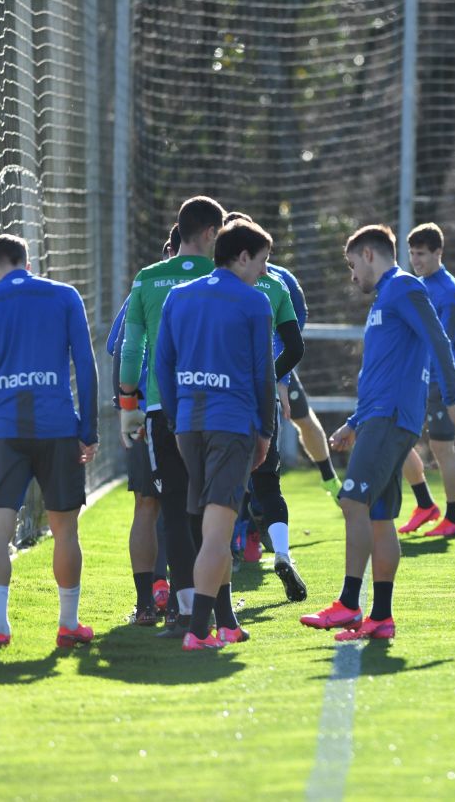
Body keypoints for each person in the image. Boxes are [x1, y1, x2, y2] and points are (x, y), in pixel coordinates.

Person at [300, 225, 455, 641]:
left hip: (391, 419)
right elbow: (383, 372)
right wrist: (354, 423)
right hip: (379, 417)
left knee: (352, 501)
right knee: (379, 517)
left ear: (369, 255)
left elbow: (439, 339)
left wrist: (453, 396)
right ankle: (381, 617)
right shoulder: (386, 297)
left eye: (352, 264)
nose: (352, 274)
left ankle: (347, 604)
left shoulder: (404, 288)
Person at [0, 234, 98, 649]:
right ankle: (68, 624)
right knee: (65, 529)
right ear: (26, 263)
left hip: (3, 433)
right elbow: (86, 366)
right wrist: (87, 431)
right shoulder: (64, 295)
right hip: (58, 428)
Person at [156, 219, 277, 649]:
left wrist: (175, 417)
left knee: (209, 526)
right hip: (233, 425)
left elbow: (162, 367)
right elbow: (265, 374)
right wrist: (266, 430)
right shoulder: (254, 303)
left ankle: (225, 620)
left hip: (189, 424)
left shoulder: (178, 296)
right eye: (262, 261)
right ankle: (199, 631)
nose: (264, 271)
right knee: (218, 532)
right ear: (242, 257)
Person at [120, 196, 225, 639]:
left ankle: (185, 612)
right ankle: (216, 610)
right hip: (219, 408)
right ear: (211, 234)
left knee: (176, 514)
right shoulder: (225, 279)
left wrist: (129, 405)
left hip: (164, 410)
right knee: (215, 513)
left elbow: (131, 349)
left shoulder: (147, 279)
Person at [219, 213, 305, 601]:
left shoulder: (212, 288)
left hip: (219, 397)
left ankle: (223, 560)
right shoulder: (277, 287)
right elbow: (296, 346)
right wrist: (269, 379)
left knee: (218, 484)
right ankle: (283, 554)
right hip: (263, 397)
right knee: (268, 482)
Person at [110, 226, 179, 625]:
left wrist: (126, 402)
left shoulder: (148, 284)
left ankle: (149, 600)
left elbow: (119, 346)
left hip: (143, 409)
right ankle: (177, 598)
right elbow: (121, 345)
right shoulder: (202, 284)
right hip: (176, 408)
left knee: (149, 505)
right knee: (189, 508)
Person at [397, 223, 455, 539]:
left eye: (422, 254)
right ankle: (425, 504)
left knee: (443, 451)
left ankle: (452, 519)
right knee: (397, 440)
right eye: (412, 253)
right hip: (415, 379)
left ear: (438, 252)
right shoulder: (416, 285)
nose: (416, 260)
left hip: (440, 384)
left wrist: (451, 393)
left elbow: (444, 342)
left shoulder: (451, 293)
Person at [266, 260, 342, 499]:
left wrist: (283, 364)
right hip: (238, 369)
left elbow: (299, 311)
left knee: (304, 419)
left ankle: (329, 478)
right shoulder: (219, 274)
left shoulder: (281, 278)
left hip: (277, 365)